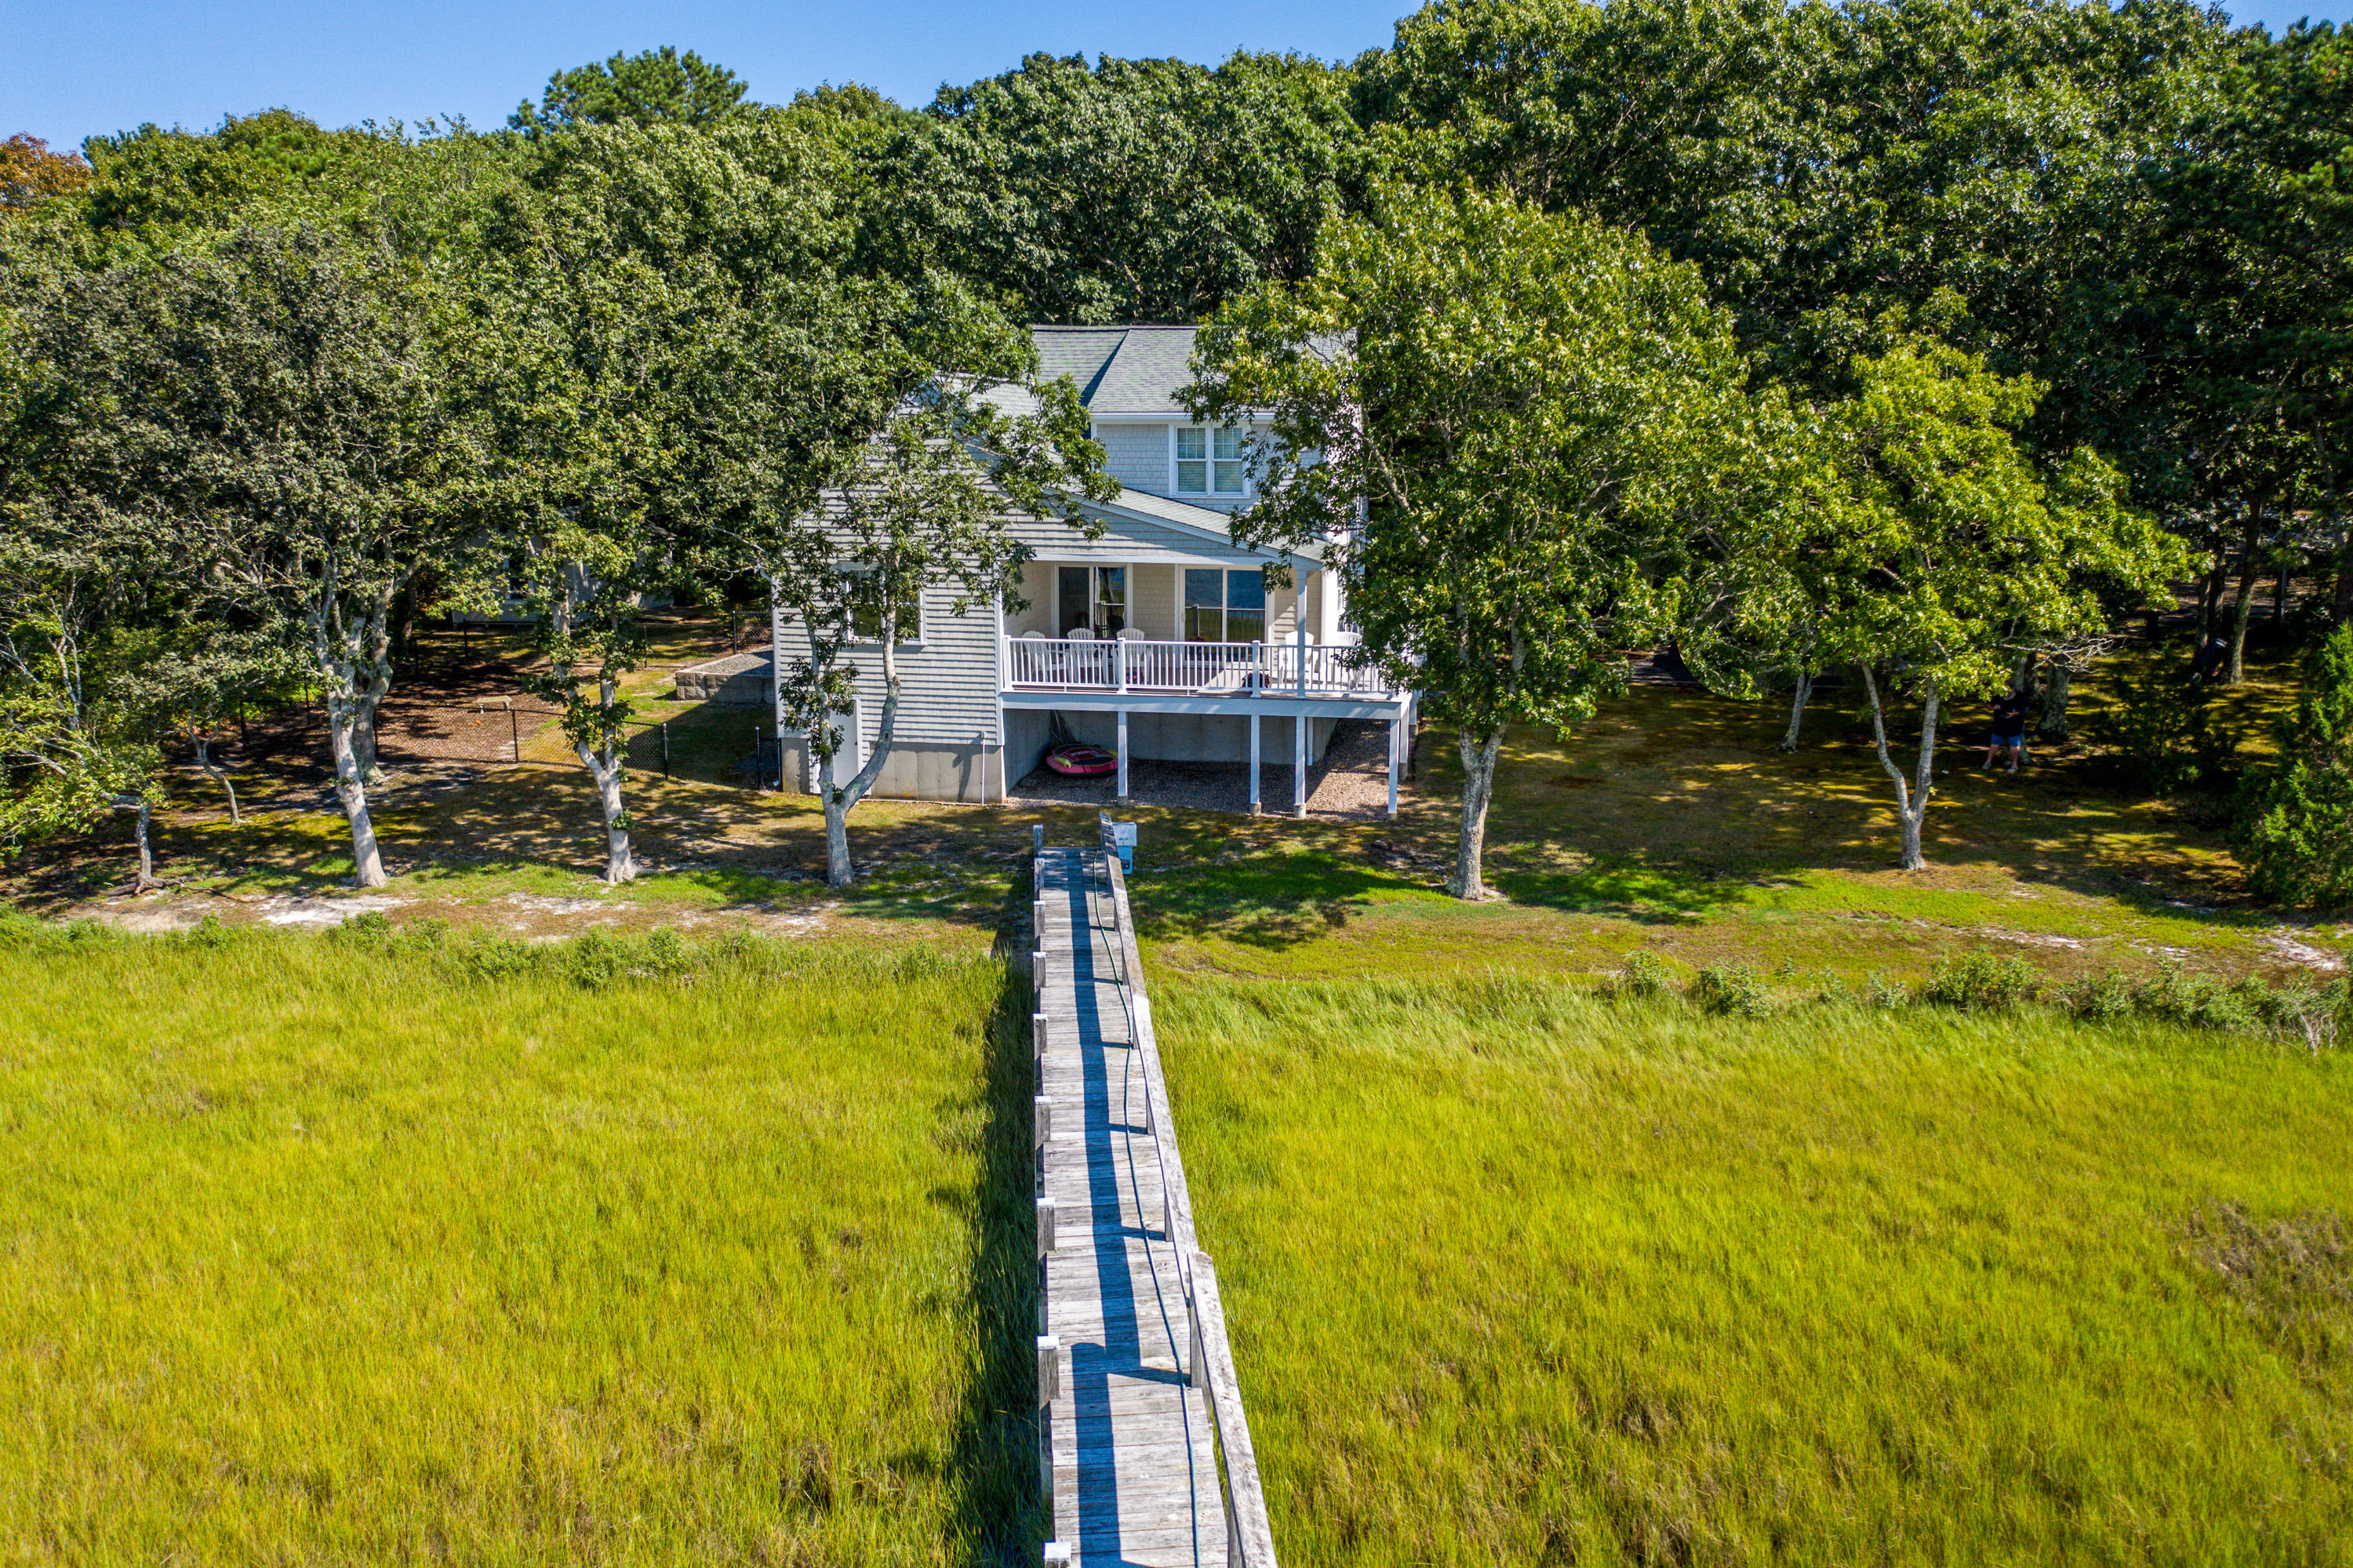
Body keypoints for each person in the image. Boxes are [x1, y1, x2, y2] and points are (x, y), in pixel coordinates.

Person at [1984, 686, 2030, 772]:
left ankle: (2015, 765)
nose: (2006, 694)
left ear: (2012, 689)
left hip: (2015, 725)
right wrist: (1993, 707)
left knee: (2014, 746)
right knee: (1994, 744)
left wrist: (2014, 713)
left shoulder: (2021, 697)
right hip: (1999, 724)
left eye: (2008, 692)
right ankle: (1988, 762)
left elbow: (2024, 710)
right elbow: (1988, 705)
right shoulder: (1997, 695)